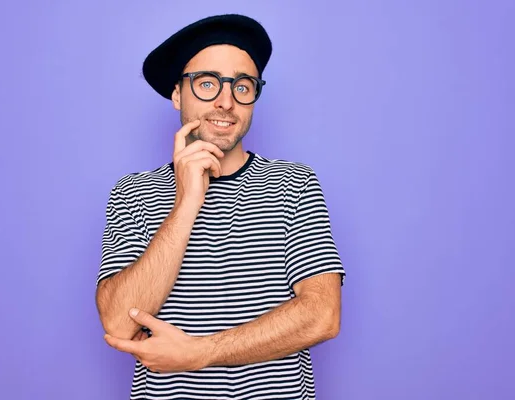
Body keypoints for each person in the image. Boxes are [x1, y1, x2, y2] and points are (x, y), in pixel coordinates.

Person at [95, 13, 346, 400]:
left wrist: (198, 353)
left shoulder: (293, 183)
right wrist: (187, 201)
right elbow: (118, 323)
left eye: (242, 86)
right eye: (207, 83)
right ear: (178, 93)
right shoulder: (133, 193)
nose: (226, 102)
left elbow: (322, 315)